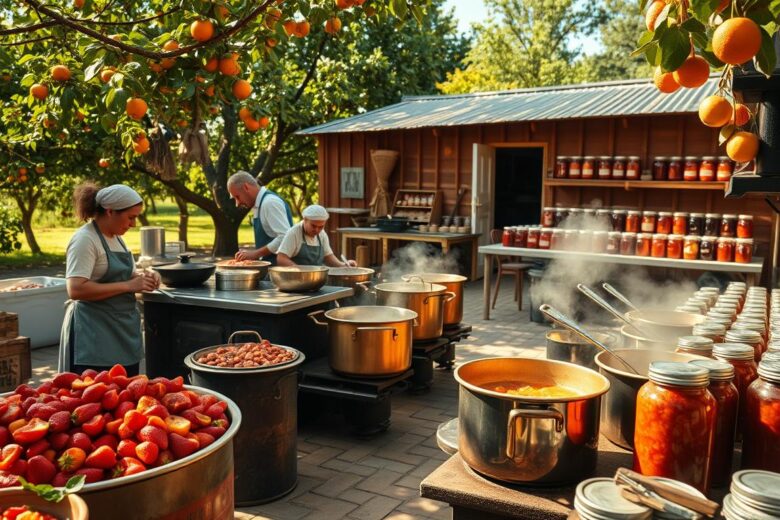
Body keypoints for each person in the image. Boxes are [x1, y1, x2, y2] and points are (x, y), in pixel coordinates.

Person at [59, 183, 159, 376]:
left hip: (122, 333)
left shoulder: (117, 238)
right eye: (130, 217)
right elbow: (76, 289)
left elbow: (127, 275)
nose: (133, 224)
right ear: (110, 211)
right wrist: (128, 285)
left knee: (127, 391)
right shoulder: (85, 240)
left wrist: (144, 277)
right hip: (95, 337)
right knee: (98, 392)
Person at [227, 171, 293, 264]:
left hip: (279, 269)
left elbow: (285, 237)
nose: (237, 204)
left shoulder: (269, 203)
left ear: (246, 187)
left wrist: (255, 254)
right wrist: (250, 255)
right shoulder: (259, 205)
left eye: (237, 197)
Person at [276, 205, 357, 267]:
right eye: (313, 226)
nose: (317, 230)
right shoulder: (294, 233)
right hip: (295, 279)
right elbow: (281, 258)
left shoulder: (322, 234)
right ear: (305, 220)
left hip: (316, 278)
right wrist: (300, 271)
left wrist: (343, 265)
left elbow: (328, 256)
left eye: (321, 227)